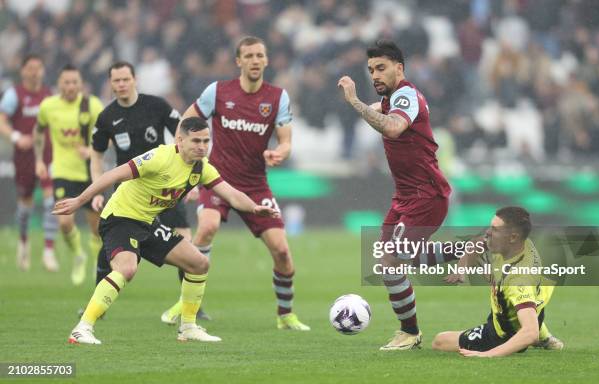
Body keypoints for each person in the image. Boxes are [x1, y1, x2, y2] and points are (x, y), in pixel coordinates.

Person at [57, 116, 278, 345]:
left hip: (148, 223)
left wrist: (253, 207)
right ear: (180, 140)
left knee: (199, 263)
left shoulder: (201, 168)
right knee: (127, 268)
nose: (202, 147)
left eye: (206, 141)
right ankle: (82, 328)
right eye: (196, 141)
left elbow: (231, 194)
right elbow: (113, 175)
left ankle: (189, 327)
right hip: (120, 218)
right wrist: (79, 200)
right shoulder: (159, 157)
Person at [165, 35, 310, 331]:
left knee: (282, 252)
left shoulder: (277, 97)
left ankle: (285, 314)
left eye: (260, 55)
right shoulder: (217, 92)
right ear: (238, 61)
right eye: (249, 56)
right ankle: (187, 301)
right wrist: (187, 159)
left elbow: (286, 141)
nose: (255, 60)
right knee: (206, 228)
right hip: (217, 178)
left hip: (256, 184)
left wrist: (278, 153)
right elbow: (185, 122)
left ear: (266, 60)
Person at [338, 40, 451, 350]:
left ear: (399, 69)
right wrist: (364, 106)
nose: (374, 75)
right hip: (405, 196)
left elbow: (392, 128)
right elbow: (380, 113)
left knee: (392, 261)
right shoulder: (391, 99)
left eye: (381, 68)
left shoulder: (407, 95)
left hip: (426, 194)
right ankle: (475, 252)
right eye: (371, 69)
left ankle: (410, 332)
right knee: (389, 262)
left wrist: (354, 101)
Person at [89, 61, 209, 321]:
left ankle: (190, 308)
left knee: (185, 243)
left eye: (125, 79)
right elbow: (96, 155)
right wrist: (95, 188)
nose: (121, 85)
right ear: (111, 84)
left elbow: (185, 132)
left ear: (135, 80)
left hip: (166, 184)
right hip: (128, 191)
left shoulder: (157, 105)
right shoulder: (107, 116)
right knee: (111, 247)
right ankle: (97, 307)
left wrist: (189, 177)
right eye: (116, 81)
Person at [433, 206, 564, 356]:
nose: (489, 232)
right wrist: (461, 267)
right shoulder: (519, 245)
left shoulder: (518, 279)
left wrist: (487, 354)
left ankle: (535, 334)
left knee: (440, 341)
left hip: (504, 333)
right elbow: (477, 243)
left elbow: (529, 334)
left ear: (513, 237)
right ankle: (544, 335)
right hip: (534, 308)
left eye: (495, 229)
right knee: (519, 303)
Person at [34, 64, 104, 285]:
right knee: (65, 223)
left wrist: (91, 150)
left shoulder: (91, 105)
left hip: (90, 172)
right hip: (63, 172)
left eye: (75, 82)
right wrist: (38, 160)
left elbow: (107, 137)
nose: (71, 86)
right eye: (67, 82)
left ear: (81, 84)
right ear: (59, 84)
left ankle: (95, 261)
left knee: (96, 227)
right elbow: (38, 131)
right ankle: (78, 255)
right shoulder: (48, 106)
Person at [0, 54, 59, 272]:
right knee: (25, 204)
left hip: (47, 154)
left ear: (43, 70)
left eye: (38, 68)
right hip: (23, 156)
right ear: (23, 71)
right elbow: (2, 120)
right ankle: (23, 242)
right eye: (31, 68)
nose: (35, 72)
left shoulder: (49, 94)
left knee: (51, 199)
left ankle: (48, 250)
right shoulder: (13, 95)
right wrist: (16, 137)